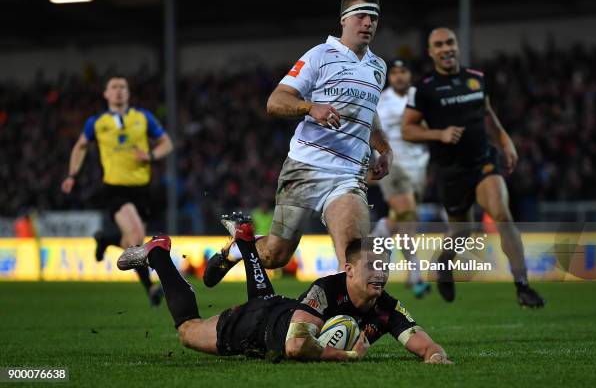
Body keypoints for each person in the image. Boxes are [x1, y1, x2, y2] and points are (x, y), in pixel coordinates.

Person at [204, 0, 393, 288]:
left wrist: (384, 149)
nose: (368, 23)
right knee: (277, 255)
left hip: (348, 176)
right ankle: (240, 247)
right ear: (343, 19)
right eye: (361, 16)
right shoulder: (319, 56)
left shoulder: (378, 67)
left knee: (356, 259)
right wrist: (310, 107)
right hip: (305, 167)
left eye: (374, 17)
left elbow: (369, 115)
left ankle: (348, 329)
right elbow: (275, 101)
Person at [116, 214, 452, 363]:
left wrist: (436, 356)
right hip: (258, 328)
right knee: (188, 331)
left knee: (266, 298)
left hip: (278, 308)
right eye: (372, 267)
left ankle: (246, 242)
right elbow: (295, 347)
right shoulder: (326, 289)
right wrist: (347, 356)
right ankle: (159, 252)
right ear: (348, 269)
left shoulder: (386, 306)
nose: (380, 274)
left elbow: (424, 345)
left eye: (384, 266)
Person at [401, 28, 544, 308]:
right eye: (438, 45)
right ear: (431, 52)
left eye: (450, 42)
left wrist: (505, 141)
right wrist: (438, 134)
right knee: (462, 232)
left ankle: (523, 285)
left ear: (457, 46)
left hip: (483, 161)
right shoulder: (424, 88)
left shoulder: (476, 79)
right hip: (451, 171)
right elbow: (407, 129)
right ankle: (444, 263)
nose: (445, 48)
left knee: (502, 214)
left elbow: (487, 114)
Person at [61, 75, 173, 306]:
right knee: (135, 237)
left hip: (142, 190)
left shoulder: (142, 118)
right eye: (114, 87)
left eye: (123, 86)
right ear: (106, 94)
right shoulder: (97, 122)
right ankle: (151, 288)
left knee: (134, 242)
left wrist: (150, 155)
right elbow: (80, 147)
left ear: (128, 93)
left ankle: (106, 240)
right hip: (114, 190)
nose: (119, 91)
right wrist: (72, 175)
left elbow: (166, 143)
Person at [371, 59, 431, 298]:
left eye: (402, 71)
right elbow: (373, 131)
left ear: (410, 75)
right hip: (393, 165)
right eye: (394, 72)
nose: (397, 76)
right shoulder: (381, 101)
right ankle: (416, 274)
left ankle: (370, 242)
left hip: (419, 167)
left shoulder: (421, 97)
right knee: (407, 213)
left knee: (400, 219)